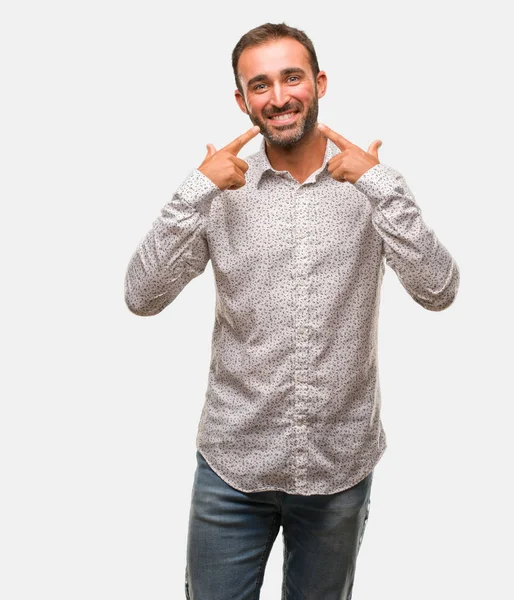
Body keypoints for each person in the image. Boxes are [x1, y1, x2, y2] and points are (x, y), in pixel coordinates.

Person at [124, 22, 460, 600]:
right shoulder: (220, 189)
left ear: (319, 83)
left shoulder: (369, 185)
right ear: (242, 100)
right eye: (260, 85)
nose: (278, 97)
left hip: (339, 467)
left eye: (291, 77)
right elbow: (142, 296)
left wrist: (380, 185)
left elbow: (439, 289)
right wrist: (195, 190)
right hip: (233, 467)